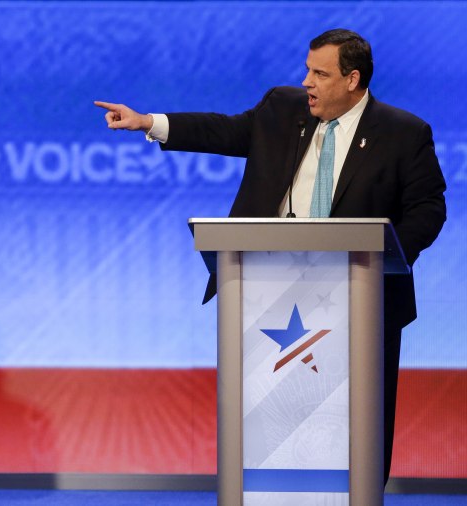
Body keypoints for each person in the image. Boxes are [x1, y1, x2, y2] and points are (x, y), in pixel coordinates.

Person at [96, 29, 446, 484]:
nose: (307, 82)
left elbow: (428, 209)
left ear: (353, 79)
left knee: (359, 426)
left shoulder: (404, 133)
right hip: (270, 291)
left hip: (363, 301)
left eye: (320, 74)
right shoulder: (284, 109)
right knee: (273, 422)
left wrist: (381, 259)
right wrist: (150, 123)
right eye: (307, 69)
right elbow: (225, 130)